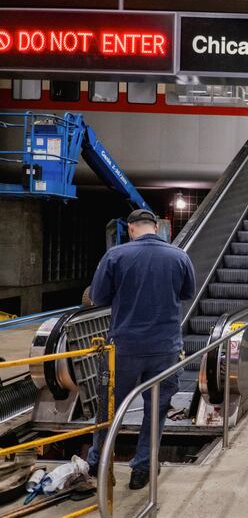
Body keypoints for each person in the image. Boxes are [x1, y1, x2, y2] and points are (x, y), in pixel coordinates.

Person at [86, 209, 196, 490]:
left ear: (131, 228)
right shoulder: (179, 256)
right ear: (156, 227)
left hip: (123, 347)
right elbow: (187, 293)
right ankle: (142, 468)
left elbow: (98, 297)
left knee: (109, 407)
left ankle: (99, 460)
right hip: (165, 349)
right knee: (156, 410)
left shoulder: (116, 256)